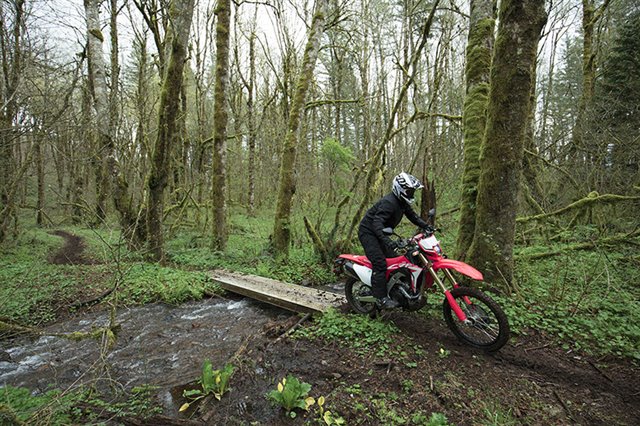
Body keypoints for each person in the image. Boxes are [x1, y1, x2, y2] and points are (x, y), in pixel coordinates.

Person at [358, 172, 430, 309]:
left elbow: (413, 217)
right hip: (368, 233)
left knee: (397, 262)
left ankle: (398, 291)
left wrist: (426, 226)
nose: (411, 194)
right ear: (400, 189)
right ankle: (381, 298)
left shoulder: (402, 203)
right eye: (409, 191)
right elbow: (377, 223)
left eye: (412, 191)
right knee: (380, 263)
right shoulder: (389, 203)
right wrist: (388, 241)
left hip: (380, 233)